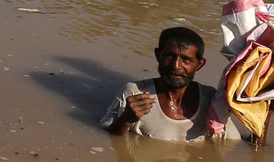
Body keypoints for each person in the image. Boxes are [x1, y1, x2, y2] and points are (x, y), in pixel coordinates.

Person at [101, 27, 239, 142]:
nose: (176, 66)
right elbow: (106, 137)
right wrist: (126, 119)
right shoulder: (135, 93)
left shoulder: (212, 100)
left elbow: (235, 144)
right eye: (169, 56)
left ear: (199, 64)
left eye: (186, 60)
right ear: (157, 55)